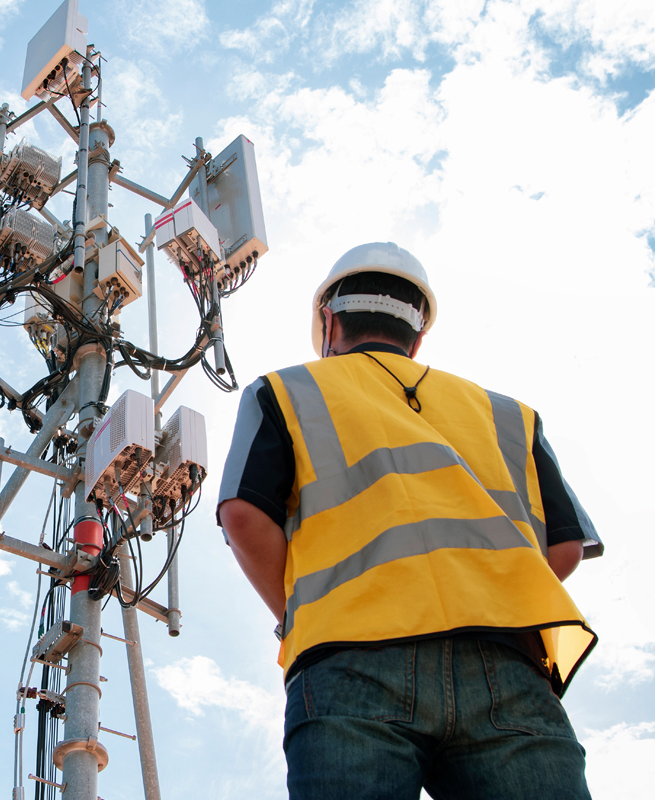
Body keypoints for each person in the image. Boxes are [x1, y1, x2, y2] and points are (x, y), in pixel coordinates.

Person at [216, 242, 603, 800]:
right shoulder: (511, 415)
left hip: (350, 654)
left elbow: (244, 515)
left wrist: (299, 616)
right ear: (418, 336)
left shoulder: (286, 390)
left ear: (329, 321)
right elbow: (564, 549)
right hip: (506, 662)